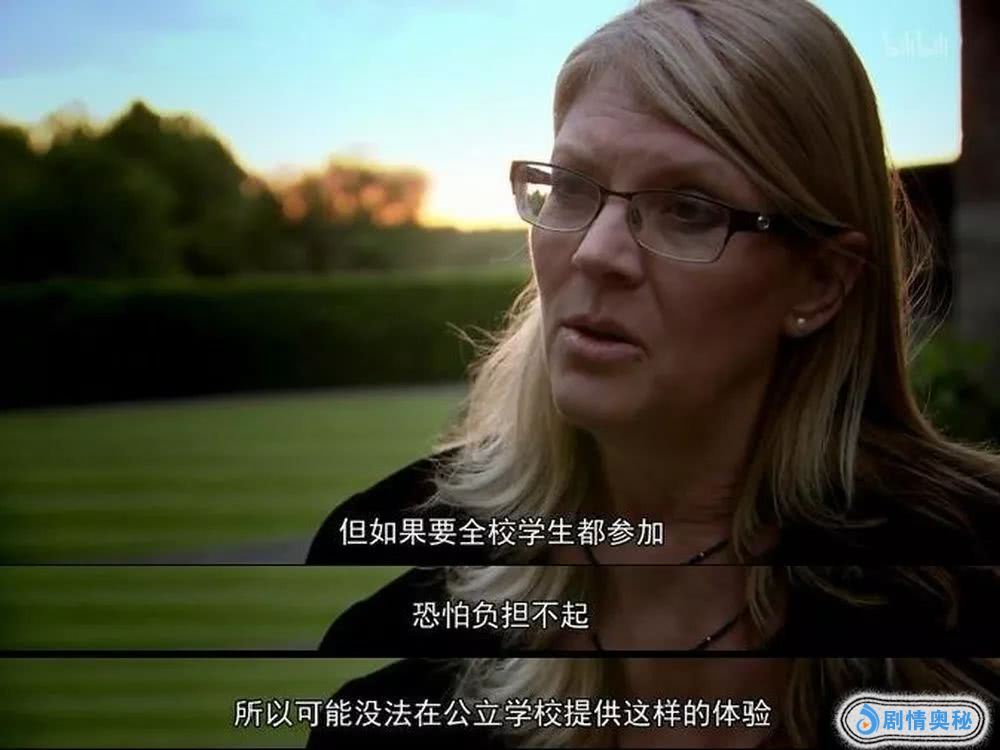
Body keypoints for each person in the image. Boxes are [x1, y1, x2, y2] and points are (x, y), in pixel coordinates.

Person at [306, 0, 1000, 746]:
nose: (595, 252)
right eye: (571, 187)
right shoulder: (414, 674)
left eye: (688, 209)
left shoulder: (961, 611)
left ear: (821, 283)